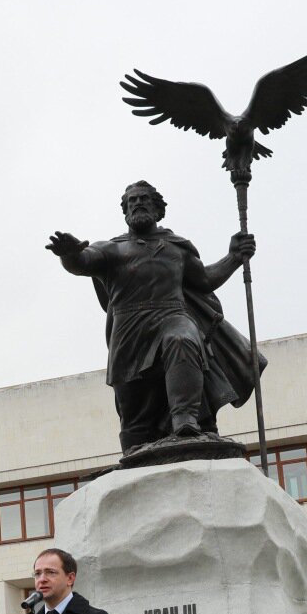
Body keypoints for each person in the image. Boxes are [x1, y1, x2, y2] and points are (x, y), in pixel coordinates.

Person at [47, 182, 262, 453]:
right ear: (124, 211)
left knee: (182, 339)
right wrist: (70, 254)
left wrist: (233, 257)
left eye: (144, 200)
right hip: (129, 329)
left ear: (158, 209)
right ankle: (135, 453)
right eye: (132, 201)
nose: (137, 204)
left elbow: (204, 280)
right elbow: (83, 262)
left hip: (172, 314)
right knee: (134, 421)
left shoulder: (177, 248)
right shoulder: (113, 250)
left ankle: (186, 421)